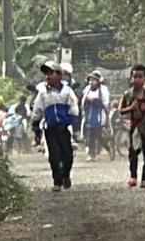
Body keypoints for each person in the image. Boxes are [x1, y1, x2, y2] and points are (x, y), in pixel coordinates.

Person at [31, 61, 79, 191]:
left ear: (59, 75)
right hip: (50, 127)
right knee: (54, 155)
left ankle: (66, 175)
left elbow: (74, 108)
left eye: (50, 73)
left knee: (67, 153)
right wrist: (36, 127)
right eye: (46, 74)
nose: (47, 76)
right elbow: (37, 110)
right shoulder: (43, 93)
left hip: (63, 127)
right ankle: (57, 181)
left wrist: (69, 121)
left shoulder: (67, 91)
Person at [80, 70, 114, 161]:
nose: (92, 82)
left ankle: (108, 149)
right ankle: (92, 155)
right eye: (90, 80)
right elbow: (83, 103)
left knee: (99, 136)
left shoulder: (103, 90)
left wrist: (94, 100)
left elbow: (105, 103)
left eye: (94, 80)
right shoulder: (87, 89)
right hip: (90, 115)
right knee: (90, 136)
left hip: (99, 115)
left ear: (98, 81)